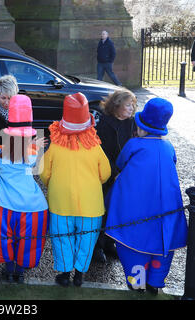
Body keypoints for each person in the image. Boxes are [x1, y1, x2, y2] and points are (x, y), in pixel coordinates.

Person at [105, 97, 188, 294]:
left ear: (142, 126)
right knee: (163, 243)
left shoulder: (134, 144)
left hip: (137, 205)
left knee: (134, 244)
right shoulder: (168, 147)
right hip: (166, 204)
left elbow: (121, 163)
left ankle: (137, 282)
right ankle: (155, 281)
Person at [40, 92, 111, 287]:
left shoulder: (55, 145)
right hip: (90, 205)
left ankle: (64, 274)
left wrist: (52, 185)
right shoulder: (95, 147)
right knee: (86, 240)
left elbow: (44, 173)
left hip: (60, 202)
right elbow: (105, 173)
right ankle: (79, 274)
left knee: (62, 238)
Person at [0, 94, 49, 284]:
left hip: (3, 203)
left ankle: (8, 270)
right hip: (32, 206)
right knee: (28, 240)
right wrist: (35, 145)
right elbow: (28, 159)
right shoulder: (33, 153)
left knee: (4, 238)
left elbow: (11, 150)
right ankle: (20, 273)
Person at [92, 89, 137, 263]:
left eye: (133, 104)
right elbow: (100, 152)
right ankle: (97, 247)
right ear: (117, 105)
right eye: (128, 105)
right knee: (102, 210)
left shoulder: (132, 124)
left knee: (118, 211)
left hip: (124, 176)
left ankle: (110, 243)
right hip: (106, 175)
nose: (131, 108)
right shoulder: (103, 123)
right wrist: (114, 173)